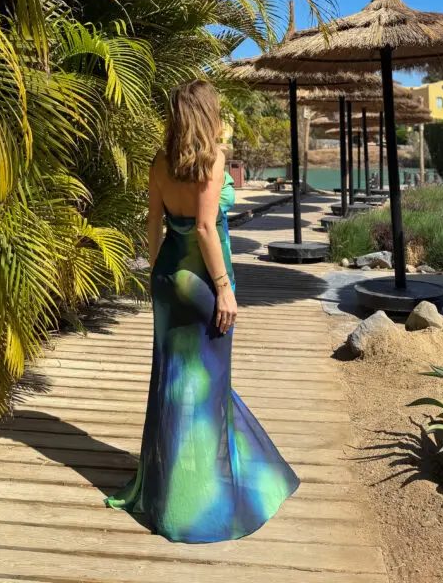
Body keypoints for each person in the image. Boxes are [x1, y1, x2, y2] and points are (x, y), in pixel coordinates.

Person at [105, 80, 300, 543]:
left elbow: (153, 223)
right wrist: (225, 289)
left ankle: (169, 492)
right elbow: (208, 230)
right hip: (203, 283)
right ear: (207, 114)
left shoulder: (159, 161)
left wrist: (157, 273)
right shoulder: (210, 162)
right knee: (209, 388)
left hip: (170, 280)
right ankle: (209, 501)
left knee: (172, 384)